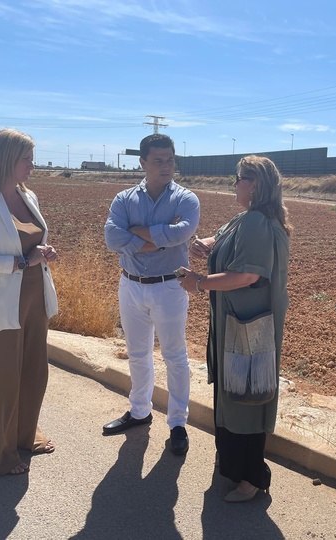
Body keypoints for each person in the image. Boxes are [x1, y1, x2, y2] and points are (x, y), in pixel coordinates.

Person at [179, 155, 292, 502]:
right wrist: (206, 245)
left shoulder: (257, 222)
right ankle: (232, 463)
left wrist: (199, 282)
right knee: (233, 392)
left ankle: (251, 477)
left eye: (239, 178)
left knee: (246, 396)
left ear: (254, 185)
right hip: (236, 322)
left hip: (248, 327)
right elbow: (223, 238)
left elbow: (247, 275)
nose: (234, 183)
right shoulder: (247, 218)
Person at [0, 128, 59, 475]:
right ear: (5, 160)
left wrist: (41, 253)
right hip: (2, 300)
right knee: (0, 379)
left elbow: (29, 243)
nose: (32, 165)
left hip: (34, 297)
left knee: (34, 371)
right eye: (26, 160)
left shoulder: (27, 195)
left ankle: (22, 434)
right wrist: (20, 262)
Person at [103, 133, 200, 456]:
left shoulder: (186, 199)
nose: (166, 166)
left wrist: (136, 233)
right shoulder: (124, 199)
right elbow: (111, 237)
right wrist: (160, 238)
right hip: (130, 285)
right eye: (158, 160)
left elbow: (183, 232)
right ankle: (140, 411)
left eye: (170, 159)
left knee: (175, 356)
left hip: (170, 286)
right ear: (143, 163)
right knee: (137, 353)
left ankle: (177, 423)